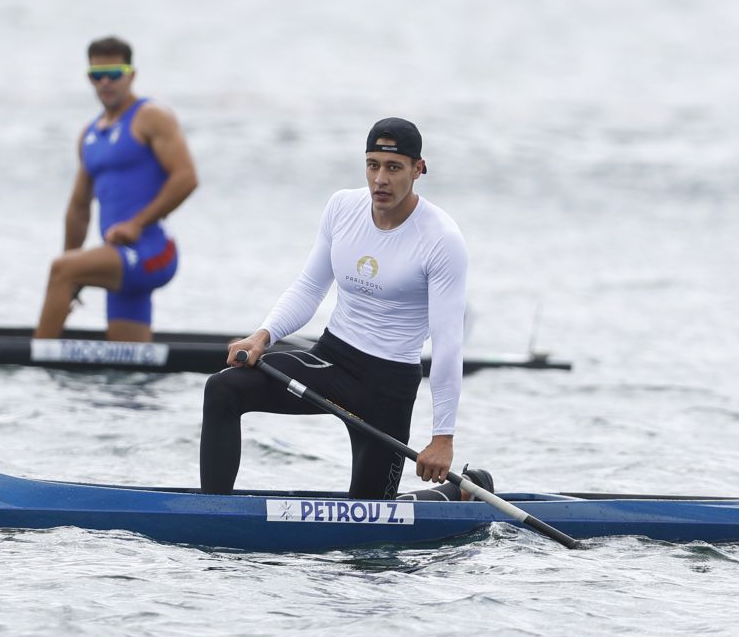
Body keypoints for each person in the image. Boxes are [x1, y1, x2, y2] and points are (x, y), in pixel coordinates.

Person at [200, 118, 467, 499]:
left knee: (370, 529)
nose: (380, 180)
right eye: (373, 165)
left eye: (393, 168)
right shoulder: (343, 207)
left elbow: (447, 344)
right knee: (223, 389)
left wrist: (443, 438)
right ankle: (213, 513)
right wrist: (263, 335)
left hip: (387, 386)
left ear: (418, 169)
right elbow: (309, 287)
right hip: (331, 362)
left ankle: (462, 493)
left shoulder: (442, 239)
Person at [35, 36, 198, 342]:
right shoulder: (89, 134)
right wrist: (73, 273)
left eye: (114, 73)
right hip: (119, 258)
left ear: (131, 75)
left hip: (153, 251)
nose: (106, 82)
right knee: (127, 370)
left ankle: (35, 362)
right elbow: (79, 208)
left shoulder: (151, 117)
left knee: (61, 268)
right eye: (97, 75)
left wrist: (136, 224)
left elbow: (186, 178)